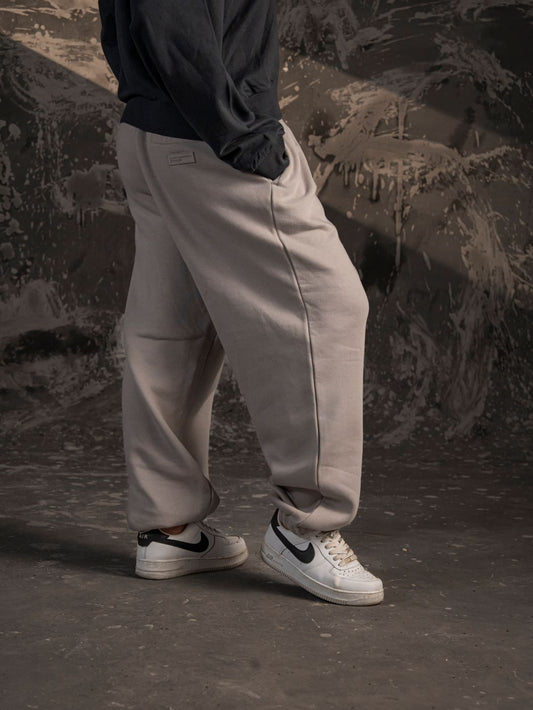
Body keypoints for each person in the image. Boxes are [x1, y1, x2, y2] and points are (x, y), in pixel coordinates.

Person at [98, 0, 384, 606]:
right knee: (327, 308)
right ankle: (306, 525)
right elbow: (171, 22)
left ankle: (170, 528)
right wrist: (242, 133)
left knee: (171, 329)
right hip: (212, 138)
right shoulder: (226, 132)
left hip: (154, 131)